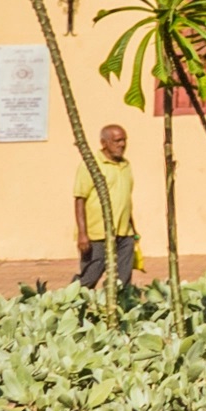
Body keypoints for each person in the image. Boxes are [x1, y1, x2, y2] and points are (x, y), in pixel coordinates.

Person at [74, 121, 138, 294]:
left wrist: (134, 230)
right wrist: (82, 234)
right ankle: (72, 305)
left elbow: (125, 199)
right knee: (90, 277)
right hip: (97, 235)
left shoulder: (125, 165)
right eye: (117, 141)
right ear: (104, 143)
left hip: (124, 234)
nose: (122, 144)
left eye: (124, 140)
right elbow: (80, 199)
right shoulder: (91, 164)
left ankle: (119, 311)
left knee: (123, 280)